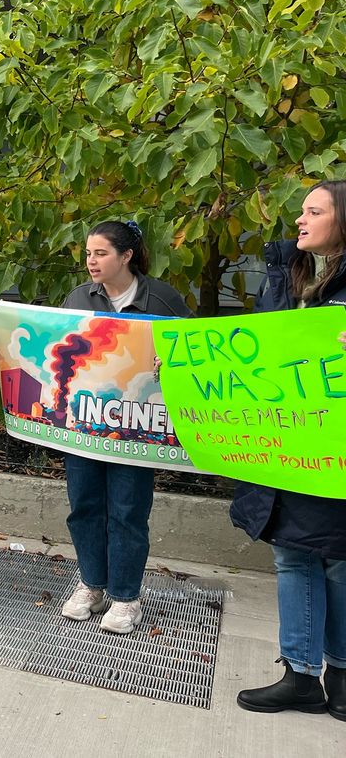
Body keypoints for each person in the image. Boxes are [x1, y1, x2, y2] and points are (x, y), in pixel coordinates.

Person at [232, 180, 346, 720]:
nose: (299, 220)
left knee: (339, 562)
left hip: (334, 453)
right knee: (292, 555)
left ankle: (341, 674)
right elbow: (251, 352)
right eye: (301, 211)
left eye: (313, 211)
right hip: (285, 447)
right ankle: (301, 675)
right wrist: (186, 367)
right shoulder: (287, 279)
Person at [56, 220, 190, 634]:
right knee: (84, 508)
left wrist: (172, 363)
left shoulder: (162, 298)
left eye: (101, 253)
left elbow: (191, 350)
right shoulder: (78, 298)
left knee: (129, 511)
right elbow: (58, 346)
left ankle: (127, 596)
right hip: (84, 427)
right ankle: (91, 584)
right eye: (88, 253)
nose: (91, 262)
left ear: (126, 256)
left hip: (138, 429)